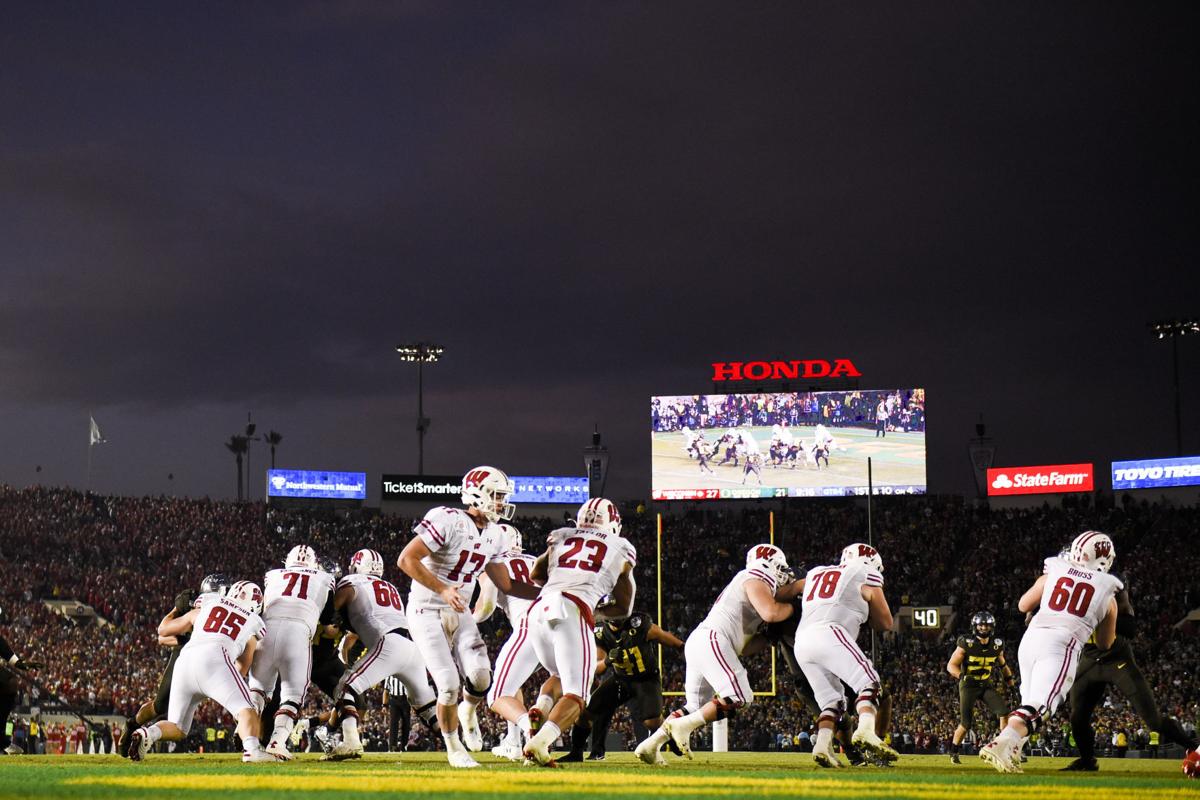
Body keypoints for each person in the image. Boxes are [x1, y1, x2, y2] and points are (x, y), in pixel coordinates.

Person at [398, 466, 539, 768]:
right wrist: (443, 589)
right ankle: (454, 748)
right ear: (478, 494)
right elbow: (406, 559)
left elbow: (507, 584)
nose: (502, 502)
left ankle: (468, 712)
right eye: (497, 496)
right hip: (427, 609)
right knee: (448, 684)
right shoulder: (447, 519)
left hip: (459, 611)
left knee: (480, 678)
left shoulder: (497, 535)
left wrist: (547, 593)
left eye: (503, 496)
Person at [636, 544, 797, 766]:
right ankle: (683, 727)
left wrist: (769, 637)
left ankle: (650, 745)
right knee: (741, 696)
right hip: (712, 639)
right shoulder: (759, 571)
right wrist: (793, 610)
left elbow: (744, 648)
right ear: (774, 563)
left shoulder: (749, 582)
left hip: (704, 641)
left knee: (694, 707)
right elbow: (771, 613)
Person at [979, 531, 1123, 774]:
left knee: (1029, 700)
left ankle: (1012, 749)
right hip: (1061, 645)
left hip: (1031, 640)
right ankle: (1002, 742)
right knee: (1042, 705)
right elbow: (1105, 644)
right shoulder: (1108, 595)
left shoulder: (1054, 572)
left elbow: (1023, 605)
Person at [522, 498, 638, 766]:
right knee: (578, 693)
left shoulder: (562, 535)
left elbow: (536, 574)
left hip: (539, 608)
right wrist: (595, 610)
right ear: (613, 525)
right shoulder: (621, 546)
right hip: (573, 608)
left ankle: (541, 707)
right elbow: (623, 607)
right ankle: (539, 744)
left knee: (558, 675)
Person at [128, 581, 277, 763]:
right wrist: (218, 689)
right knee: (247, 708)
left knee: (178, 727)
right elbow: (242, 667)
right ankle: (252, 750)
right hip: (215, 660)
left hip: (184, 661)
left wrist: (175, 609)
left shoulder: (208, 606)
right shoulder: (254, 621)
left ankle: (147, 733)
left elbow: (163, 630)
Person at [1062, 578, 1200, 771]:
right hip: (1090, 659)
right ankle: (1087, 760)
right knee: (1077, 718)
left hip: (1117, 658)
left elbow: (1129, 628)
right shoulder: (1072, 584)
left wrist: (1100, 612)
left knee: (1154, 721)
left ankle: (1196, 749)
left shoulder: (1112, 585)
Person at [325, 548, 438, 761]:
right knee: (427, 707)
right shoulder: (390, 587)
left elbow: (336, 606)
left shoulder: (352, 581)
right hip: (412, 649)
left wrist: (328, 617)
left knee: (345, 687)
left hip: (388, 644)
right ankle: (456, 745)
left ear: (357, 565)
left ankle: (350, 741)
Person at [792, 543, 897, 767]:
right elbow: (885, 622)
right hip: (830, 632)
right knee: (871, 683)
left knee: (832, 702)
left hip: (802, 641)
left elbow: (788, 591)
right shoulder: (864, 572)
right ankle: (866, 730)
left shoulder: (816, 572)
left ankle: (822, 746)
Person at [118, 573, 232, 757]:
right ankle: (134, 725)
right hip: (186, 657)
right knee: (160, 706)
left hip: (213, 660)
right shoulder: (195, 609)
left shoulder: (228, 611)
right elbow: (162, 635)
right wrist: (177, 618)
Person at [246, 545, 335, 760]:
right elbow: (328, 618)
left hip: (266, 631)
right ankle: (277, 742)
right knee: (292, 697)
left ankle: (250, 746)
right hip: (298, 631)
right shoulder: (325, 578)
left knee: (256, 692)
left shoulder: (272, 576)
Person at [561, 611, 684, 762]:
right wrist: (608, 661)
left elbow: (664, 636)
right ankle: (576, 753)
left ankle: (672, 737)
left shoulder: (639, 624)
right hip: (621, 679)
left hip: (646, 679)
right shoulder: (601, 631)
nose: (616, 617)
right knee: (586, 714)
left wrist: (682, 648)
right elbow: (597, 667)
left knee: (651, 721)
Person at [475, 523, 543, 761]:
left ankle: (528, 729)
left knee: (496, 694)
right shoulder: (536, 560)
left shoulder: (493, 563)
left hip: (531, 625)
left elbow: (486, 607)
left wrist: (468, 621)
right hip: (561, 627)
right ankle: (513, 741)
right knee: (519, 682)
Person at [946, 611, 1016, 763]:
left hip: (985, 684)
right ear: (975, 626)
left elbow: (1003, 666)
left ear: (992, 627)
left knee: (1004, 712)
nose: (984, 628)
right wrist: (961, 676)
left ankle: (1002, 748)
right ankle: (954, 751)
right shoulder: (966, 642)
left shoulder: (997, 644)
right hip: (968, 685)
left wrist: (1012, 686)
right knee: (966, 723)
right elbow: (951, 665)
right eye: (981, 625)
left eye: (987, 625)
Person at [382, 676, 411, 753]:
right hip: (394, 700)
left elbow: (411, 690)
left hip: (405, 700)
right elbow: (386, 691)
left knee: (406, 723)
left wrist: (413, 704)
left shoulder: (405, 674)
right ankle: (392, 746)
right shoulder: (389, 676)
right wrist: (384, 705)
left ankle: (404, 746)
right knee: (393, 723)